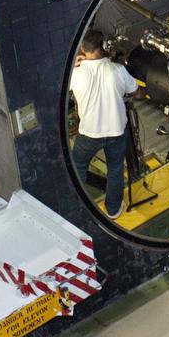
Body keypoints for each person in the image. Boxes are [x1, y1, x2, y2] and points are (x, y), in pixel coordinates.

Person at [69, 30, 138, 219]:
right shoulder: (118, 70)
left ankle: (77, 206)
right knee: (115, 168)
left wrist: (71, 67)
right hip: (116, 131)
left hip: (89, 134)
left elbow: (59, 86)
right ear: (103, 48)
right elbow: (134, 90)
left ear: (83, 49)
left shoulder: (75, 74)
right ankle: (113, 209)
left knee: (77, 167)